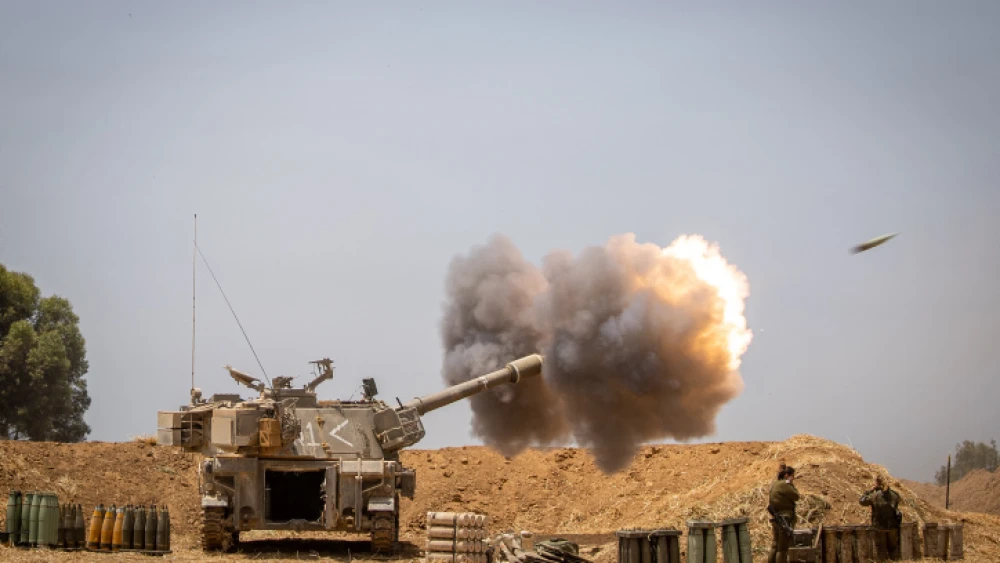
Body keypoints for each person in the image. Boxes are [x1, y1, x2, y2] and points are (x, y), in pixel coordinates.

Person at [860, 476, 902, 560]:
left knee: (881, 550)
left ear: (877, 484)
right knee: (893, 548)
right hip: (892, 526)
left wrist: (870, 491)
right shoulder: (895, 495)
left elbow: (862, 501)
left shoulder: (874, 496)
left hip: (879, 527)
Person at [768, 465, 800, 563]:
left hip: (776, 518)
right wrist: (790, 484)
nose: (793, 478)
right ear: (787, 475)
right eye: (792, 476)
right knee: (782, 549)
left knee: (774, 546)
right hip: (785, 519)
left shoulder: (775, 484)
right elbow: (796, 496)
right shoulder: (785, 484)